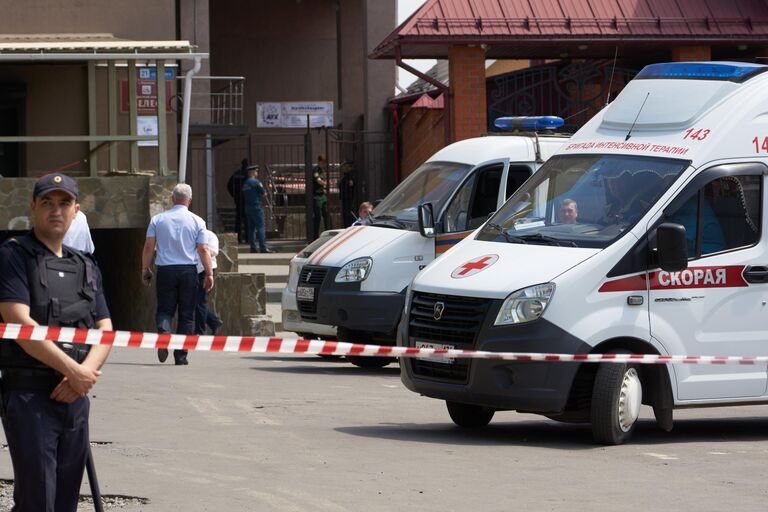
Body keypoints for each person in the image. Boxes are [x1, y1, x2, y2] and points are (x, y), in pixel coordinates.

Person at [0, 173, 112, 512]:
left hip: (74, 398)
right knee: (39, 500)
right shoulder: (14, 255)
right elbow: (18, 321)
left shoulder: (86, 265)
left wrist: (82, 376)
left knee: (65, 501)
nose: (56, 210)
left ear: (76, 210)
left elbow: (105, 328)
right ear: (33, 207)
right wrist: (74, 371)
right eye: (47, 203)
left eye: (64, 203)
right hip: (30, 396)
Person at [141, 183, 213, 366]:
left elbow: (149, 246)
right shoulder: (198, 221)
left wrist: (145, 268)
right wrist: (209, 273)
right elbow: (203, 249)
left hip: (165, 270)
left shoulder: (157, 219)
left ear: (172, 198)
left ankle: (164, 333)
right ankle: (180, 356)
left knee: (165, 309)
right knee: (187, 314)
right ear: (190, 200)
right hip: (188, 270)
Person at [195, 229, 223, 336]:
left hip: (205, 271)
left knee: (200, 301)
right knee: (194, 301)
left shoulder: (210, 235)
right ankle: (214, 321)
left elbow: (211, 251)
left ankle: (200, 331)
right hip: (192, 270)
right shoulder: (191, 235)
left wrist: (200, 251)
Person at [243, 165, 273, 254]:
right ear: (252, 172)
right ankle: (263, 247)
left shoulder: (246, 183)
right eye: (256, 171)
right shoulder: (255, 182)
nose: (257, 172)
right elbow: (264, 193)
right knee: (260, 227)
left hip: (248, 207)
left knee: (251, 229)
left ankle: (253, 247)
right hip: (256, 207)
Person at [227, 159, 249, 243]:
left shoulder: (236, 174)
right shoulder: (248, 175)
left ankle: (238, 238)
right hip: (246, 200)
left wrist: (234, 195)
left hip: (238, 199)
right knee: (247, 220)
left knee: (238, 220)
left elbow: (229, 185)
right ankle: (248, 239)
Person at [311, 154, 329, 238]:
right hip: (317, 196)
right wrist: (325, 183)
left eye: (324, 163)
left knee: (326, 214)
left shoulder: (323, 170)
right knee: (317, 216)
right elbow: (318, 180)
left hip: (323, 195)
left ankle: (328, 233)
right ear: (319, 162)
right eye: (322, 162)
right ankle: (315, 235)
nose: (324, 164)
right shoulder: (315, 169)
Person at [339, 160, 356, 227]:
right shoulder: (345, 176)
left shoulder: (351, 175)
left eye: (345, 166)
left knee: (349, 216)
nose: (343, 168)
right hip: (345, 198)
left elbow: (351, 185)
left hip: (349, 199)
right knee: (346, 216)